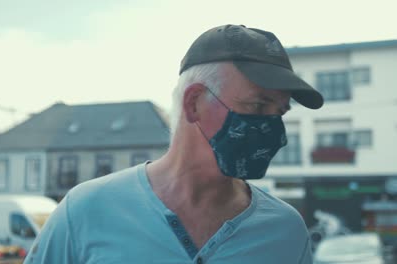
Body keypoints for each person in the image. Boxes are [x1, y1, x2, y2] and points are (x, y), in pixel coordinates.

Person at [24, 24, 323, 263]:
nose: (275, 130)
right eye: (258, 106)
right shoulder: (86, 211)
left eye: (279, 113)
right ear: (194, 103)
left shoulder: (285, 231)